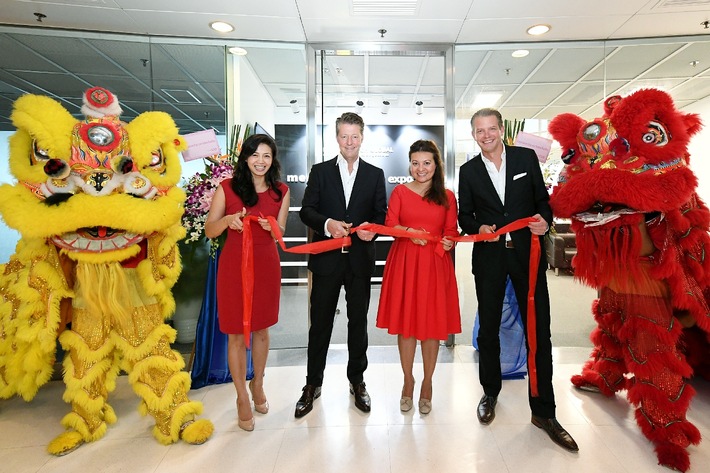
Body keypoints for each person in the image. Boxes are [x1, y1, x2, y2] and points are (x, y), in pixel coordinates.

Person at [457, 108, 579, 452]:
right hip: (490, 259)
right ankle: (490, 393)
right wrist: (477, 227)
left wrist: (544, 221)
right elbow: (465, 214)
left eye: (491, 129)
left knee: (539, 330)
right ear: (474, 134)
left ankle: (544, 411)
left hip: (528, 256)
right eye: (479, 131)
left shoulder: (526, 158)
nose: (486, 135)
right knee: (489, 328)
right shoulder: (468, 171)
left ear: (501, 130)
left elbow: (543, 202)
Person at [295, 112, 387, 418]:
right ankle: (312, 384)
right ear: (337, 138)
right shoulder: (320, 172)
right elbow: (306, 211)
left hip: (360, 261)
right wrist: (329, 223)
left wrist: (372, 228)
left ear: (362, 138)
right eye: (344, 136)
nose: (349, 142)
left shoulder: (375, 174)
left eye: (355, 136)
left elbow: (381, 215)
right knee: (319, 324)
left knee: (358, 324)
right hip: (326, 262)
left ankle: (357, 381)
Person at [205, 134, 290, 432]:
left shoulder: (281, 191)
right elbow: (210, 230)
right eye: (255, 155)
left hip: (265, 264)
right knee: (236, 334)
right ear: (246, 158)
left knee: (261, 329)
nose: (261, 161)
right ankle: (241, 396)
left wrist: (272, 228)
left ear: (272, 160)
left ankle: (258, 383)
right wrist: (228, 221)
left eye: (267, 156)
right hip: (233, 266)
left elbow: (281, 233)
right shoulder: (226, 188)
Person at [376, 140, 460, 415]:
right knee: (407, 325)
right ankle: (408, 380)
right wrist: (412, 232)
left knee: (431, 326)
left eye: (426, 163)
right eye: (415, 162)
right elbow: (390, 226)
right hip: (405, 263)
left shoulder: (447, 196)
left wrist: (449, 241)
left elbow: (451, 231)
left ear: (436, 165)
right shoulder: (400, 191)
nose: (420, 168)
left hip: (435, 265)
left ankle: (427, 383)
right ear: (409, 164)